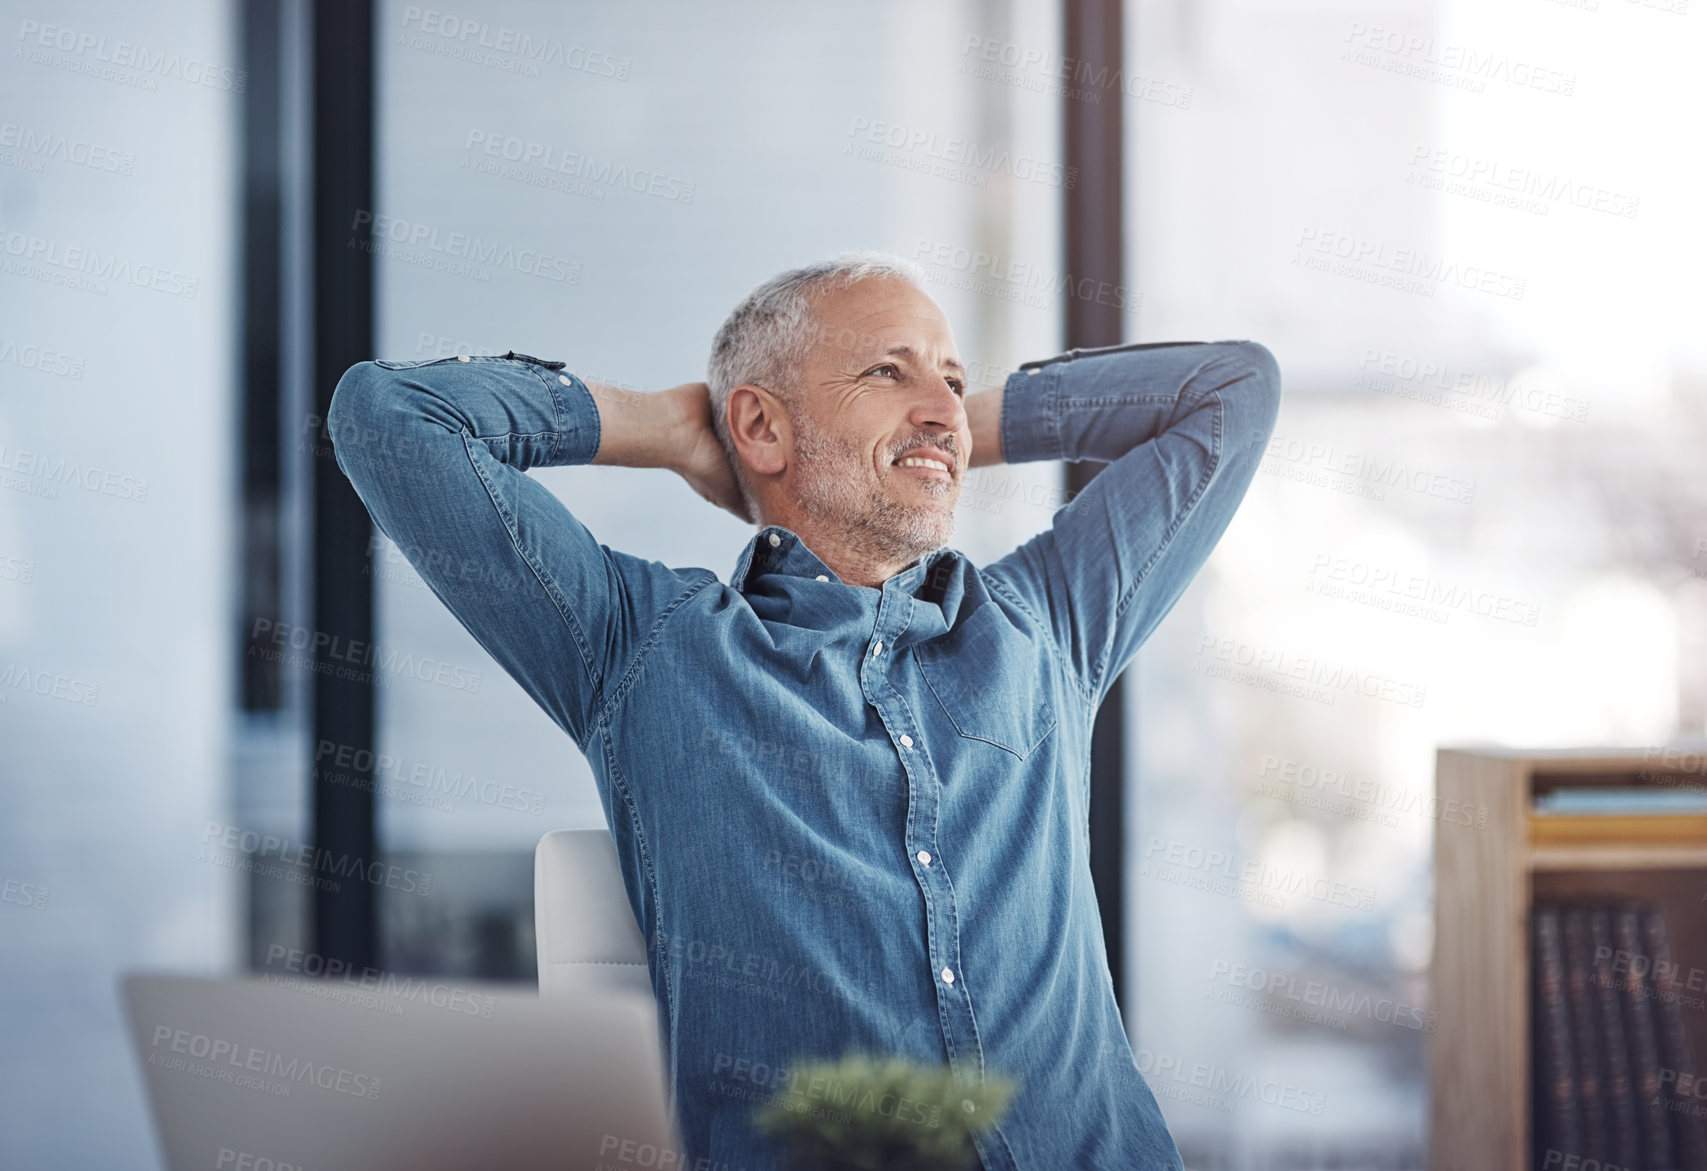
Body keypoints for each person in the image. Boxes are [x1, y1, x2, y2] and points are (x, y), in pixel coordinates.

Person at [328, 251, 1281, 1170]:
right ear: (761, 426)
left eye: (953, 377)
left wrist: (941, 431)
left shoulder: (1043, 627)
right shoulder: (648, 646)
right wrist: (664, 427)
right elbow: (389, 416)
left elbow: (1232, 391)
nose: (943, 402)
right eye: (885, 369)